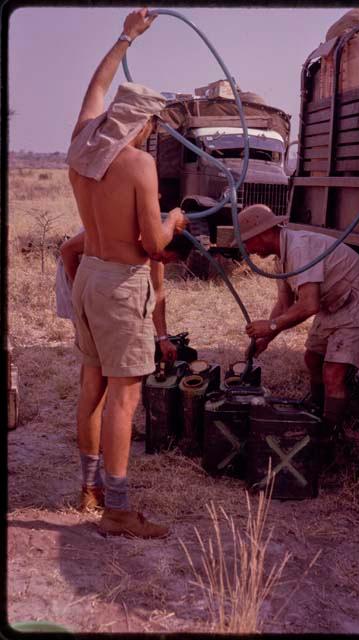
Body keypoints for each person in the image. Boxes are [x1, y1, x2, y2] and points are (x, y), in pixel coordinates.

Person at [66, 8, 188, 539]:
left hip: (88, 276)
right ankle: (116, 510)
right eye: (152, 127)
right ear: (143, 124)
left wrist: (126, 37)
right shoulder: (137, 165)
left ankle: (90, 488)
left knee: (93, 381)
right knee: (124, 395)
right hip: (119, 283)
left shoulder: (82, 141)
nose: (151, 134)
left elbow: (97, 83)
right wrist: (176, 218)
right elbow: (154, 244)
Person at [233, 204, 359, 449]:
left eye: (247, 242)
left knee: (333, 374)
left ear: (263, 233)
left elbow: (308, 305)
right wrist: (266, 339)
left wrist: (272, 325)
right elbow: (285, 304)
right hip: (334, 303)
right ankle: (318, 411)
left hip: (357, 299)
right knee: (312, 360)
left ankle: (329, 436)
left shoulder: (298, 248)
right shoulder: (281, 259)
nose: (248, 250)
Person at [56, 229, 192, 363]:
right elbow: (67, 250)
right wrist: (80, 289)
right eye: (164, 257)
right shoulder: (120, 229)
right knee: (92, 346)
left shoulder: (155, 254)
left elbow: (157, 293)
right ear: (160, 242)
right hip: (75, 268)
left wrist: (163, 339)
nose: (163, 263)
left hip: (104, 279)